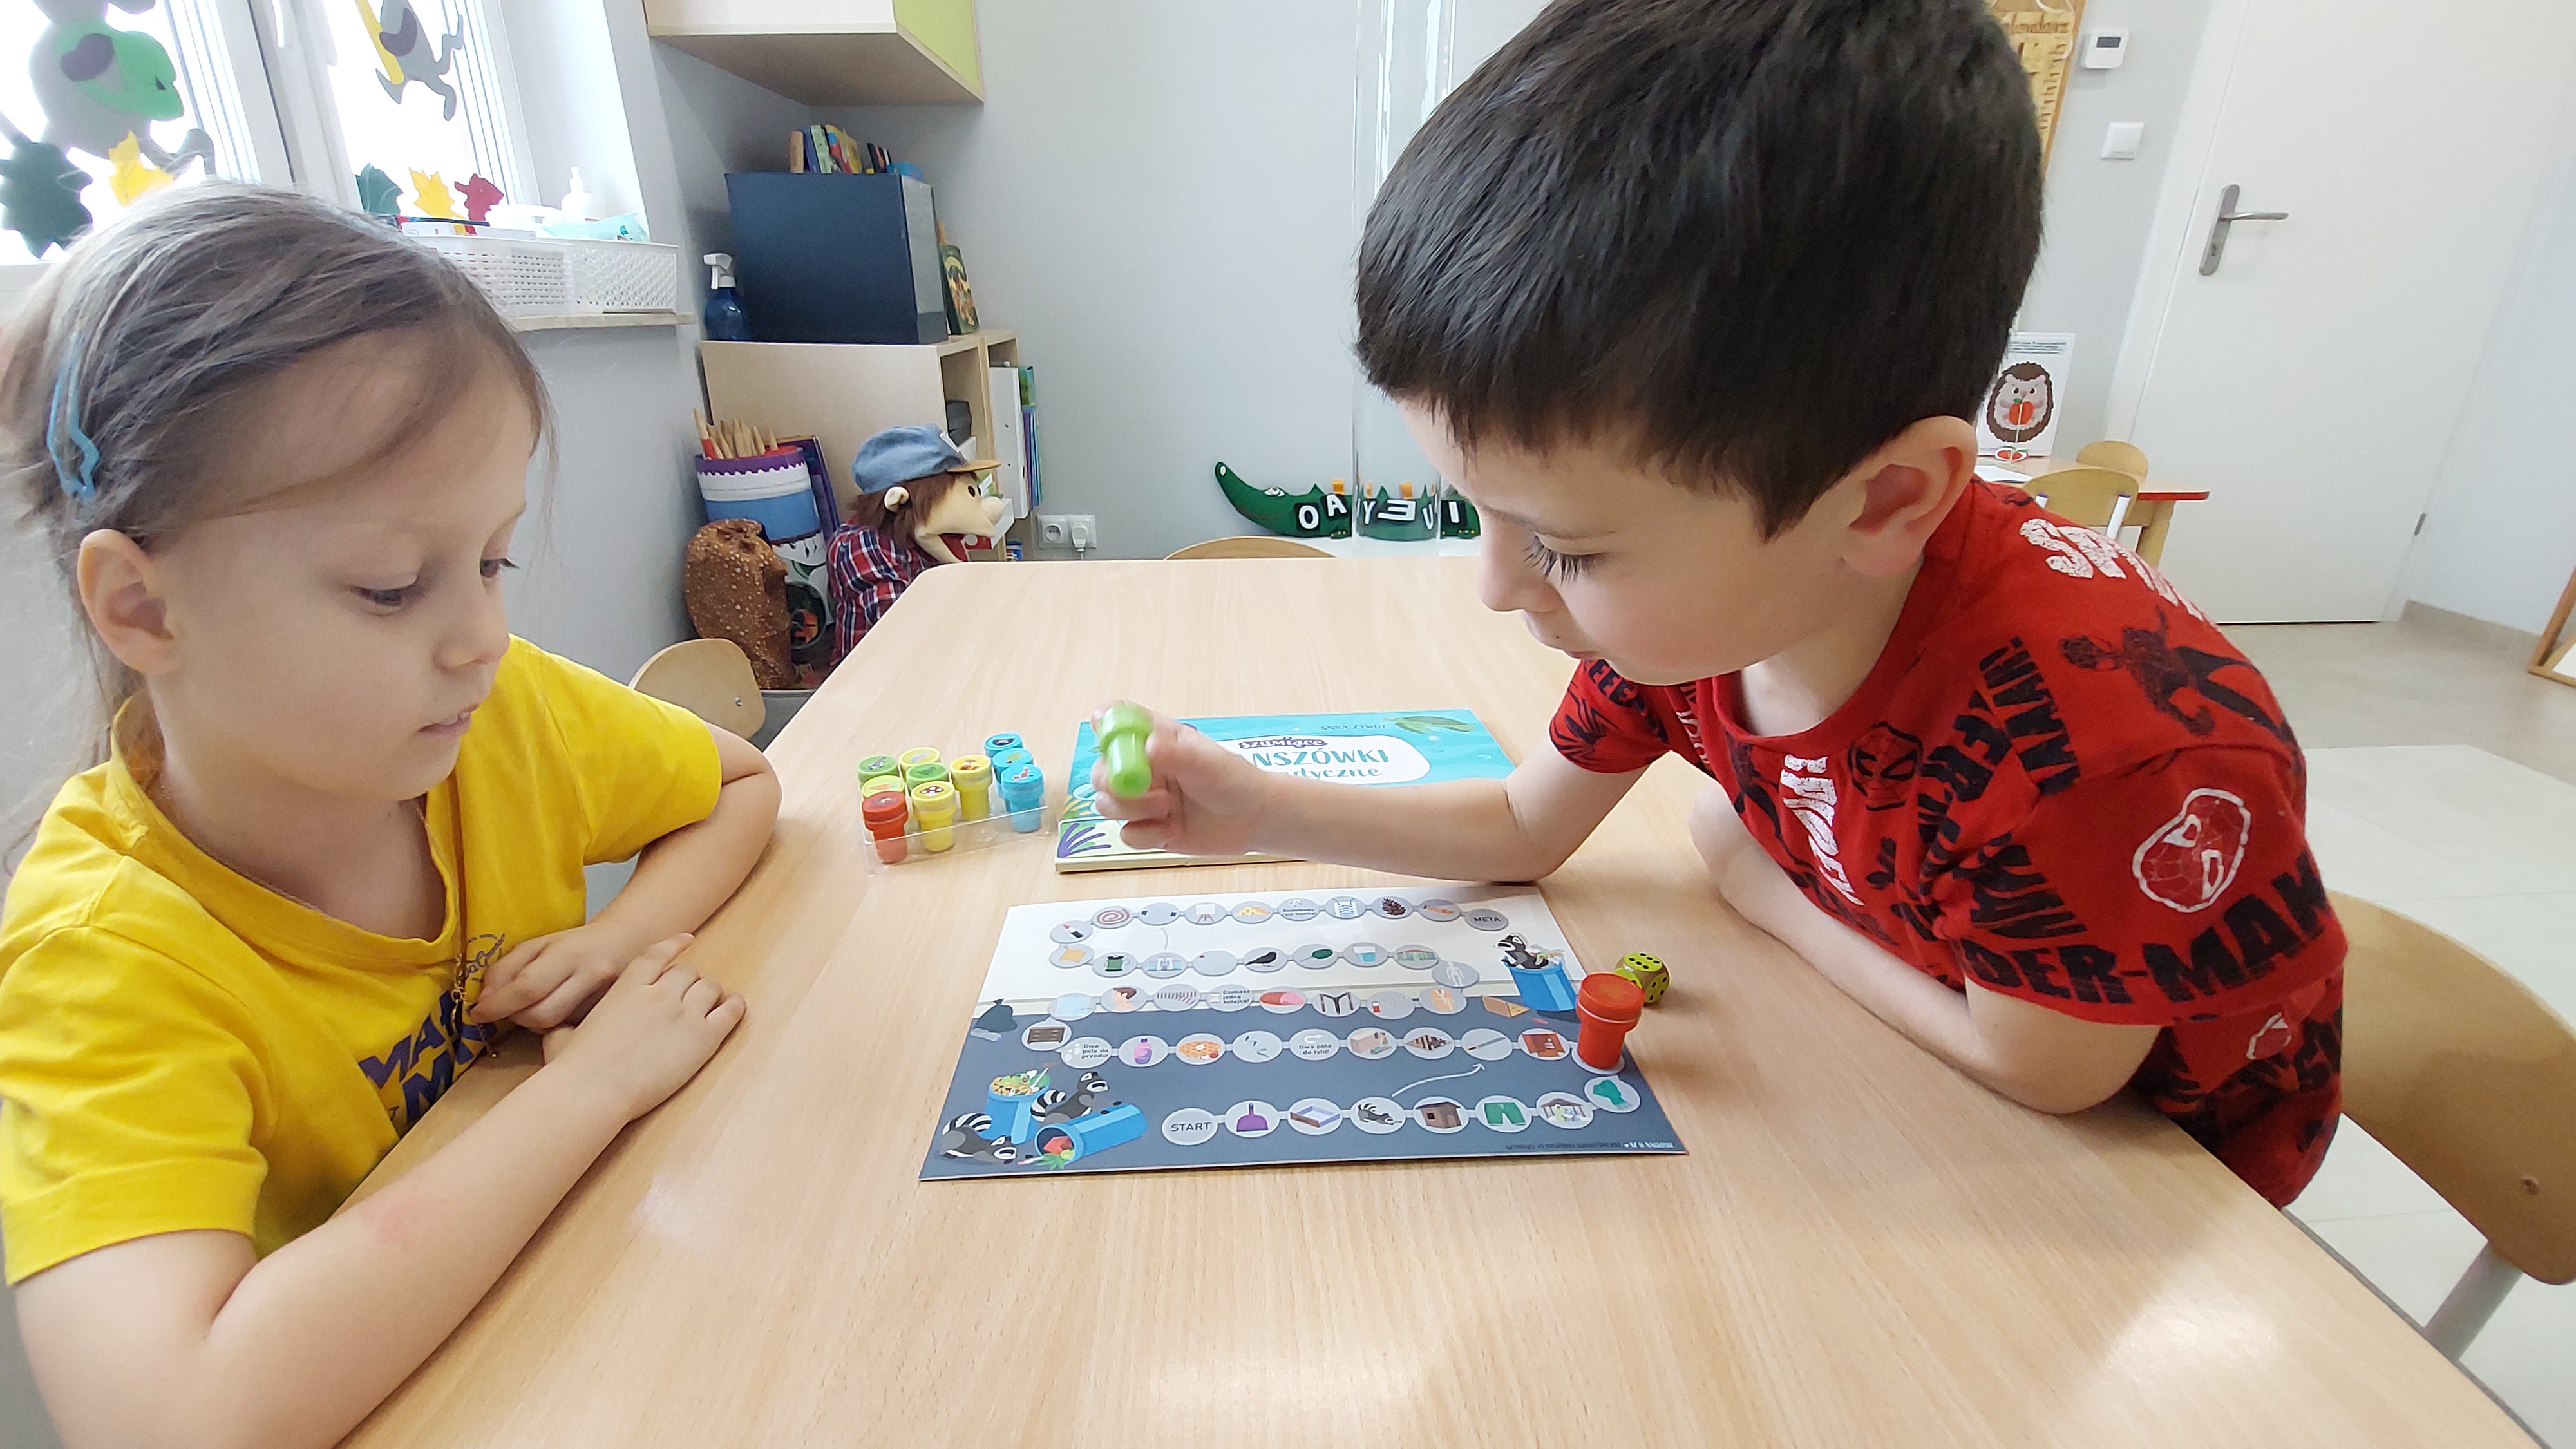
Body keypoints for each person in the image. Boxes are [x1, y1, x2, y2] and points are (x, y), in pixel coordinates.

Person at [1095, 0, 2342, 1206]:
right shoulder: (1707, 612)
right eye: (1480, 511)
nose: (1496, 585)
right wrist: (1261, 808)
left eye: (1562, 545)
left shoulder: (2102, 749)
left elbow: (2046, 1071)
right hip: (1931, 1048)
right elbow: (1521, 827)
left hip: (2152, 1195)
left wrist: (1760, 888)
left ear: (1880, 501)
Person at [0, 185, 779, 1448]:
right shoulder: (98, 961)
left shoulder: (495, 717)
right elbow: (172, 1419)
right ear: (143, 608)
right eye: (390, 587)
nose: (482, 637)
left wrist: (617, 938)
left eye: (490, 561)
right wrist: (587, 1093)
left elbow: (739, 784)